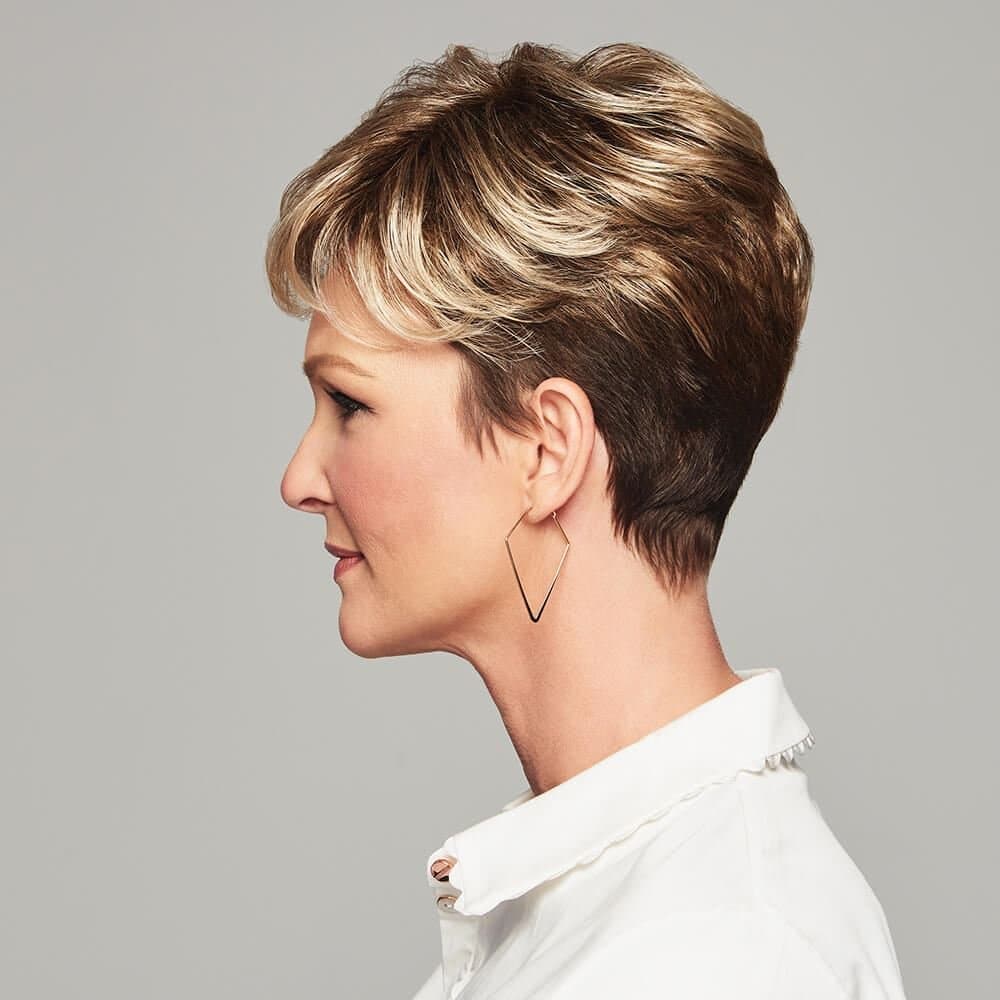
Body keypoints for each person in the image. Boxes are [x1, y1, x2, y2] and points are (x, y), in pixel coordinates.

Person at [268, 40, 907, 1000]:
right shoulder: (620, 916)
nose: (299, 479)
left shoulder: (718, 956)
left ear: (545, 449)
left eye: (350, 405)